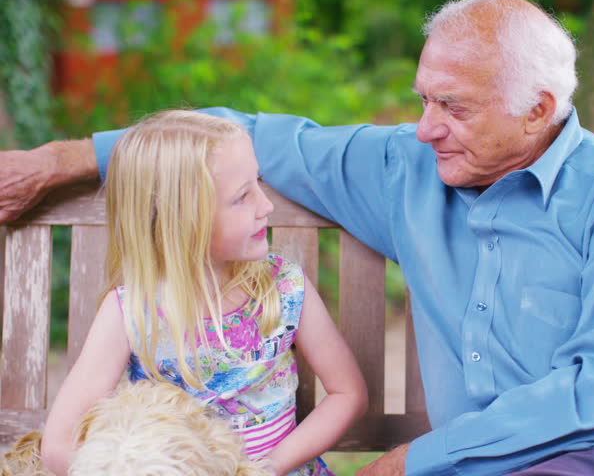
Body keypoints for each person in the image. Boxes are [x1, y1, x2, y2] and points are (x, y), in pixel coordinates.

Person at [1, 0, 594, 474]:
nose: (425, 126)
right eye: (423, 98)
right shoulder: (409, 170)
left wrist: (419, 458)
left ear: (537, 109)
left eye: (454, 106)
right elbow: (242, 136)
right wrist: (59, 160)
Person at [38, 110, 368, 476]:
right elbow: (57, 447)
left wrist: (266, 469)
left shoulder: (285, 288)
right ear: (184, 219)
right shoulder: (132, 311)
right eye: (243, 196)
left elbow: (347, 394)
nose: (267, 205)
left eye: (259, 183)